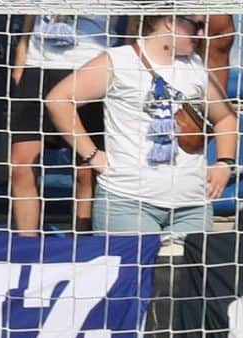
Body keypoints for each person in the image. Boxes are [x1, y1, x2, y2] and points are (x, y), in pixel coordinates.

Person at [47, 14, 238, 234]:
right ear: (171, 21)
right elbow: (58, 100)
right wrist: (91, 155)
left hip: (192, 206)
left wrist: (224, 163)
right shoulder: (118, 60)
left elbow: (225, 118)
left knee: (187, 269)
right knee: (135, 269)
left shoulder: (195, 65)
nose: (202, 34)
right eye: (197, 26)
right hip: (128, 203)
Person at [10, 14, 114, 234]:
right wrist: (21, 63)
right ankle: (26, 246)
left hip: (89, 65)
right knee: (21, 165)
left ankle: (83, 239)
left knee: (85, 169)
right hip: (37, 67)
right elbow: (30, 14)